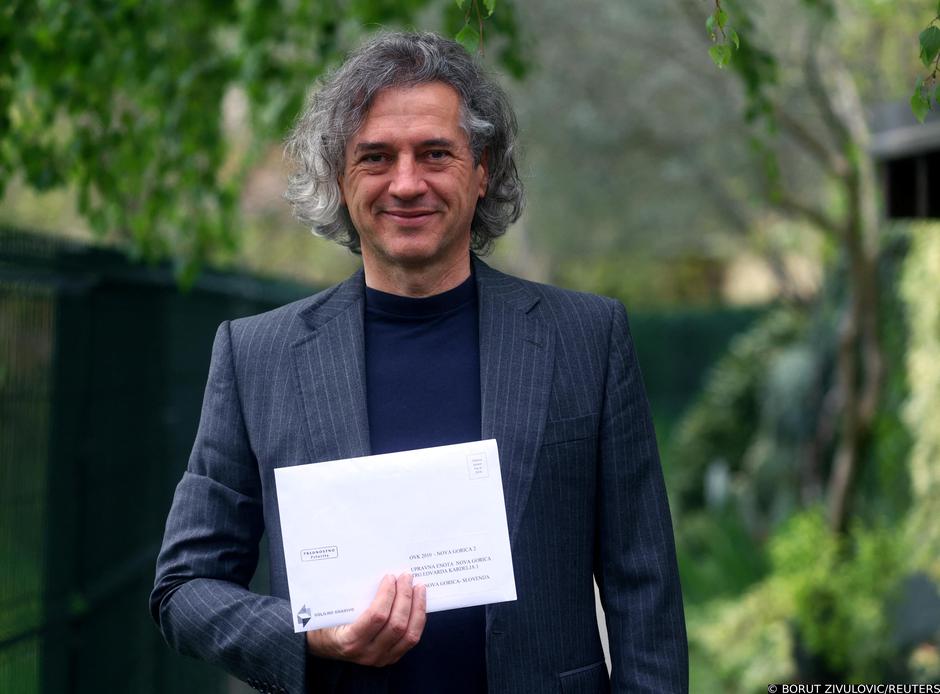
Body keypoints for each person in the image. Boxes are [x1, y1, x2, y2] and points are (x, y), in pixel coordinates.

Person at [150, 31, 688, 694]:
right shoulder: (256, 355)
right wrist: (308, 637)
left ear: (482, 167)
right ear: (340, 178)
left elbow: (645, 587)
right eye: (376, 157)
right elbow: (184, 587)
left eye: (435, 153)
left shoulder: (587, 337)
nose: (407, 183)